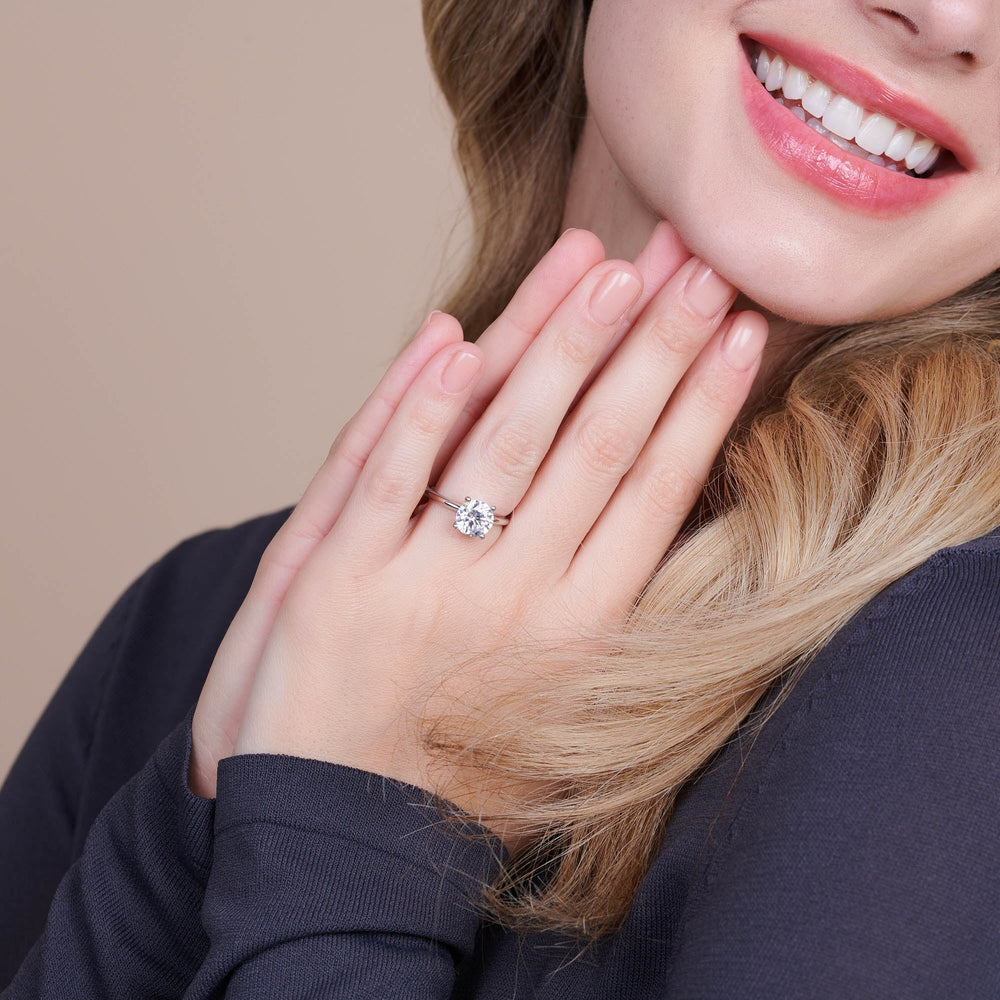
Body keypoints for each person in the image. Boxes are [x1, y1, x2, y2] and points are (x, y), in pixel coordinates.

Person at [2, 0, 999, 995]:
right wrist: (185, 844)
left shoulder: (960, 675)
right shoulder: (192, 622)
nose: (947, 16)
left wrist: (345, 842)